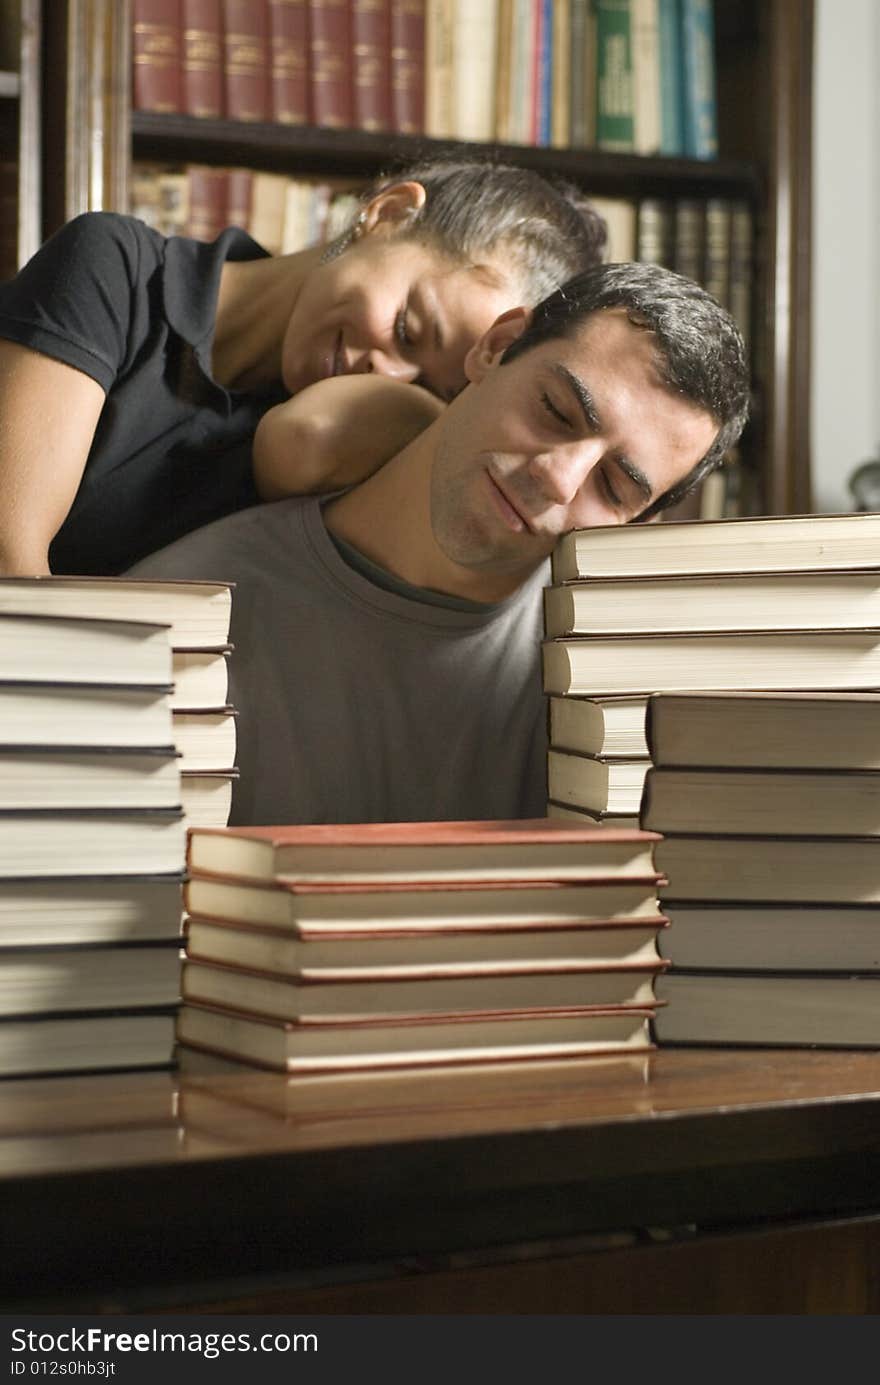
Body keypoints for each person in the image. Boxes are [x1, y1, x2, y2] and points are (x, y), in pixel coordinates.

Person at [126, 261, 750, 826]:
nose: (556, 479)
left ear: (636, 527)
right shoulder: (176, 615)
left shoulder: (618, 704)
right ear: (496, 347)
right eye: (556, 411)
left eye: (613, 486)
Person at [0, 159, 607, 577]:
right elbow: (11, 560)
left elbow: (303, 442)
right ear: (388, 213)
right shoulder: (116, 268)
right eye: (407, 329)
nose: (383, 372)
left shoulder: (356, 437)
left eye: (430, 387)